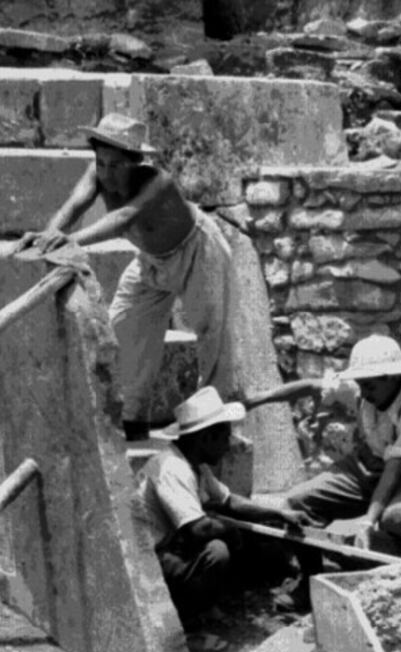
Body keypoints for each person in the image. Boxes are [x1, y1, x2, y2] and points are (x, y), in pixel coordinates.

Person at [14, 113, 236, 442]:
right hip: (151, 260)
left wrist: (72, 241)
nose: (106, 172)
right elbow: (75, 203)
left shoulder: (157, 182)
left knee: (212, 337)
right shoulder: (96, 173)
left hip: (197, 252)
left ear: (134, 162)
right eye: (101, 163)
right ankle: (132, 421)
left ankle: (215, 429)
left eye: (115, 165)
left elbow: (122, 217)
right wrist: (49, 233)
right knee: (123, 328)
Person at [243, 334, 401, 609]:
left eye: (370, 385)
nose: (364, 392)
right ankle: (311, 582)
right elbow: (310, 386)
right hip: (363, 467)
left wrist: (368, 521)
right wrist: (256, 400)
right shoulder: (362, 390)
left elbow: (392, 473)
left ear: (390, 377)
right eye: (361, 384)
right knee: (297, 503)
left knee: (395, 519)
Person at [133, 386, 313, 628]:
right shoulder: (172, 467)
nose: (229, 445)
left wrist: (279, 513)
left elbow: (230, 501)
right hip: (147, 560)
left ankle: (205, 604)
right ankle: (185, 621)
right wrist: (229, 530)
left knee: (235, 536)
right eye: (225, 437)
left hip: (169, 547)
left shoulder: (197, 465)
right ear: (205, 438)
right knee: (217, 550)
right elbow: (199, 529)